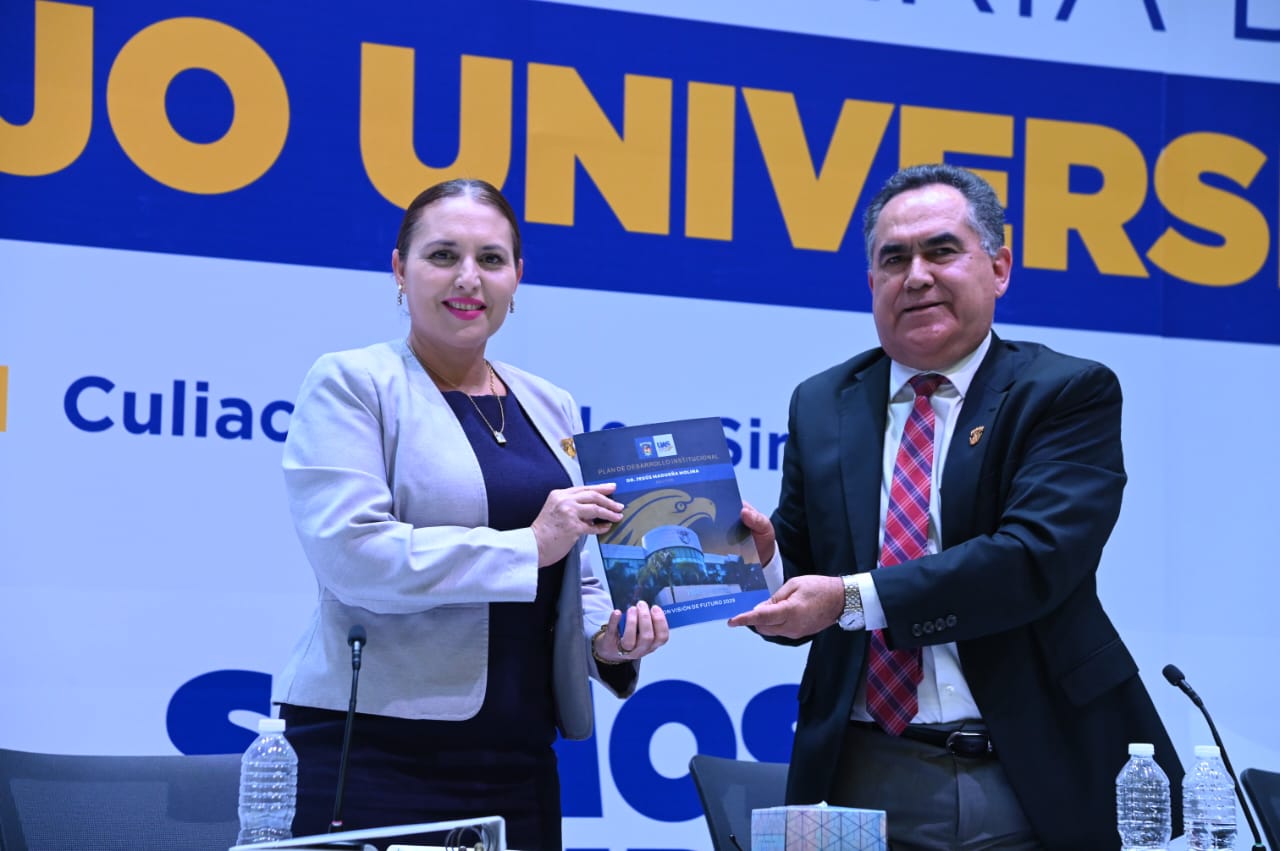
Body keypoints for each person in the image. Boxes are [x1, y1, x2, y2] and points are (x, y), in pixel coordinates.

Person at [729, 163, 1182, 850]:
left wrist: (849, 598)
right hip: (858, 768)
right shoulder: (823, 402)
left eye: (941, 250)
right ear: (871, 284)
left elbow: (1031, 560)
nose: (916, 276)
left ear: (999, 268)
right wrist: (764, 562)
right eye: (894, 259)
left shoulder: (1065, 392)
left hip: (1028, 766)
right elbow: (807, 583)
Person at [274, 177, 669, 851]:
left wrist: (607, 640)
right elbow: (353, 556)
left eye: (491, 259)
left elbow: (573, 571)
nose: (468, 278)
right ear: (399, 270)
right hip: (373, 748)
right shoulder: (353, 382)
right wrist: (528, 545)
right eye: (442, 255)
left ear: (517, 277)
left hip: (518, 754)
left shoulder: (551, 403)